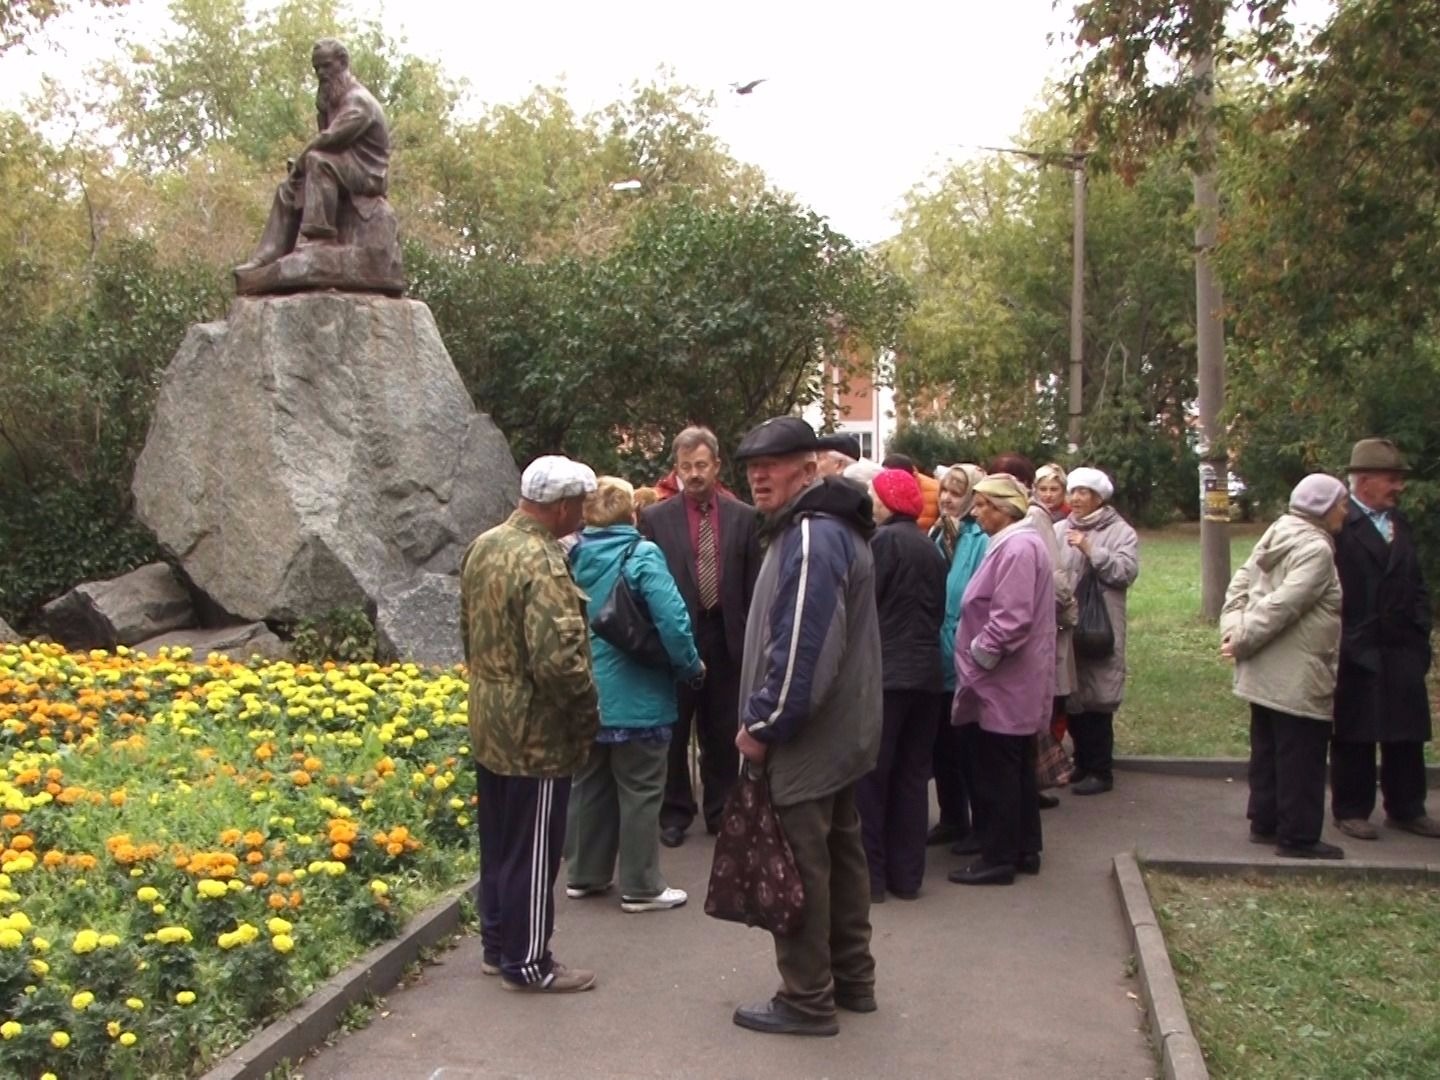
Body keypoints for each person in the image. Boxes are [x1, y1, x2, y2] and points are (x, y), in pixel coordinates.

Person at [728, 416, 882, 1038]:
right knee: (840, 854)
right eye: (752, 466)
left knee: (799, 866)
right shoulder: (825, 526)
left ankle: (807, 998)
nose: (760, 475)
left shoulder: (814, 535)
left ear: (810, 466)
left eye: (777, 462)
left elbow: (803, 651)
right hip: (839, 733)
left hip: (807, 737)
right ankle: (852, 980)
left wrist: (763, 724)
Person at [460, 454, 600, 993]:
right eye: (579, 505)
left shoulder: (485, 545)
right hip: (536, 733)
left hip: (490, 717)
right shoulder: (542, 562)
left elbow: (468, 631)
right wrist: (586, 718)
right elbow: (559, 663)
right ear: (562, 506)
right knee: (535, 849)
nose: (584, 515)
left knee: (498, 845)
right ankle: (529, 962)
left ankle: (498, 948)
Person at [565, 477, 705, 910]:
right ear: (632, 514)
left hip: (587, 693)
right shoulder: (641, 554)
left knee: (591, 784)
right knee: (642, 789)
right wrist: (690, 667)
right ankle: (641, 885)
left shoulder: (572, 555)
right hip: (639, 695)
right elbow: (673, 620)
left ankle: (585, 874)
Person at [639, 426, 762, 847]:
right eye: (686, 467)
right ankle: (674, 812)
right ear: (676, 470)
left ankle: (721, 809)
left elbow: (753, 585)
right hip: (677, 639)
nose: (694, 474)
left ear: (716, 466)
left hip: (726, 635)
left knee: (723, 730)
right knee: (674, 732)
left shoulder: (744, 517)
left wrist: (750, 639)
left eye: (701, 465)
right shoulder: (655, 518)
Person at [1221, 473, 1350, 859]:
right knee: (1302, 755)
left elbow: (1239, 586)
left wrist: (1233, 631)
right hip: (1297, 670)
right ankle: (1298, 836)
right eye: (1342, 503)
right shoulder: (1316, 549)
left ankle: (1265, 822)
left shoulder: (1279, 531)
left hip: (1265, 668)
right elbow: (1284, 605)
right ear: (1324, 508)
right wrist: (1239, 639)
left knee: (1269, 747)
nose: (1346, 510)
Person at [948, 474, 1056, 885]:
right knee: (1015, 768)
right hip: (1011, 679)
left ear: (1004, 508)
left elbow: (1010, 620)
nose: (976, 514)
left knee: (999, 772)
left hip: (1005, 681)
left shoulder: (1017, 547)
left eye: (982, 506)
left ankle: (998, 858)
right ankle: (1025, 848)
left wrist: (978, 658)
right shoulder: (1019, 544)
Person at [1330, 438, 1440, 840]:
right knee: (1356, 730)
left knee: (1407, 731)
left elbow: (1418, 583)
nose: (1399, 487)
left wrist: (1419, 631)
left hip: (1402, 647)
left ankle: (1407, 807)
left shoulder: (1400, 524)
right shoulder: (1342, 527)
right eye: (1391, 479)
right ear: (1364, 482)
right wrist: (1346, 640)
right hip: (1357, 645)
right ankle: (1351, 809)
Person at [856, 468, 949, 901]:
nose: (870, 503)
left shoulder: (881, 544)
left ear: (889, 501)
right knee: (912, 779)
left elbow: (864, 607)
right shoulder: (931, 549)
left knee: (873, 779)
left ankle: (871, 879)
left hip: (887, 677)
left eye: (875, 496)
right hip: (926, 675)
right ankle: (907, 876)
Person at [238, 38, 390, 272]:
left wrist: (301, 162)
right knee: (287, 187)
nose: (321, 73)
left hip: (368, 174)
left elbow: (329, 140)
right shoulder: (330, 99)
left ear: (343, 62)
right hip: (344, 166)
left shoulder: (358, 101)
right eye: (316, 68)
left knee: (317, 162)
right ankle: (270, 252)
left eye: (326, 66)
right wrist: (297, 172)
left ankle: (321, 237)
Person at [1055, 467, 1140, 796]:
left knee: (1098, 698)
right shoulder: (1060, 528)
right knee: (1072, 695)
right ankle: (1081, 762)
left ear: (1099, 498)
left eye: (1083, 493)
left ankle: (1101, 770)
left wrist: (1093, 550)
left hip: (1100, 625)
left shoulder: (1121, 532)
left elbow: (1125, 572)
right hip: (1067, 624)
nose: (1075, 499)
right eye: (1072, 492)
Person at [926, 464, 989, 852]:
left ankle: (981, 826)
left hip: (969, 656)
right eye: (944, 490)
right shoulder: (938, 533)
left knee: (971, 749)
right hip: (938, 657)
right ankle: (952, 818)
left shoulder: (981, 538)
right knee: (942, 746)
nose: (947, 498)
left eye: (956, 491)